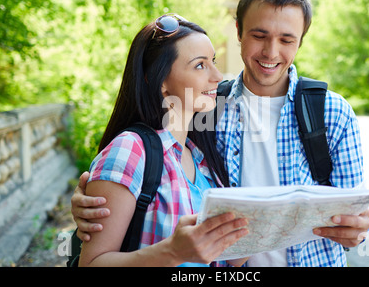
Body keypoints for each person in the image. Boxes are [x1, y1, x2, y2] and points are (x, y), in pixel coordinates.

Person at [71, 0, 369, 267]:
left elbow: (359, 218)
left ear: (300, 42)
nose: (270, 52)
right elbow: (140, 177)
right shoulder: (210, 110)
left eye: (286, 39)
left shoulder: (331, 113)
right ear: (239, 31)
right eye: (259, 35)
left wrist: (359, 228)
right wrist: (95, 199)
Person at [75, 14, 249, 267]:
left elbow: (231, 259)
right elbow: (92, 264)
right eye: (200, 65)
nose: (218, 75)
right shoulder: (130, 150)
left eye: (212, 61)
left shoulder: (201, 156)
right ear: (161, 81)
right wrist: (172, 252)